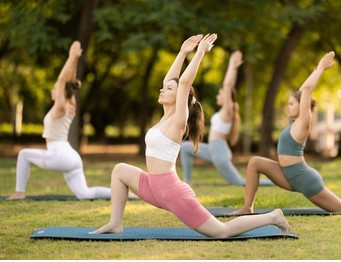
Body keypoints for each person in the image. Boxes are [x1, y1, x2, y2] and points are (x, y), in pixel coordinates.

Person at [90, 34, 291, 237]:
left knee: (221, 232)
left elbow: (184, 83)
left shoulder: (179, 121)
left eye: (168, 89)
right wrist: (182, 52)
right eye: (164, 87)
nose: (162, 88)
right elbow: (172, 80)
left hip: (171, 192)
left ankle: (273, 217)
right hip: (151, 185)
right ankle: (115, 223)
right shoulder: (164, 118)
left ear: (179, 97)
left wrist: (200, 52)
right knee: (120, 170)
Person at [231, 51, 341, 215]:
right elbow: (303, 90)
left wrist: (320, 69)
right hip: (287, 174)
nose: (288, 106)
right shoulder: (294, 122)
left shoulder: (303, 122)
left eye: (291, 104)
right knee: (255, 162)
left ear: (303, 107)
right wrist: (315, 72)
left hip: (303, 178)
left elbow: (306, 91)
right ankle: (247, 207)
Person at [7, 41, 116, 200]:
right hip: (72, 157)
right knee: (85, 194)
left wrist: (71, 56)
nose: (53, 90)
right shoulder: (70, 104)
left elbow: (61, 81)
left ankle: (19, 192)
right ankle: (123, 194)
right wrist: (75, 59)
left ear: (60, 93)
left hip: (58, 154)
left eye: (55, 89)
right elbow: (70, 83)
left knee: (23, 154)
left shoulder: (60, 107)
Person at [180, 50, 273, 186]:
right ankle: (187, 180)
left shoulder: (227, 112)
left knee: (240, 182)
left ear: (227, 98)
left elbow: (228, 86)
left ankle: (275, 181)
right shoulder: (223, 113)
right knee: (185, 147)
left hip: (219, 152)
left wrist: (232, 65)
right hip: (212, 148)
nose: (218, 95)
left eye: (220, 94)